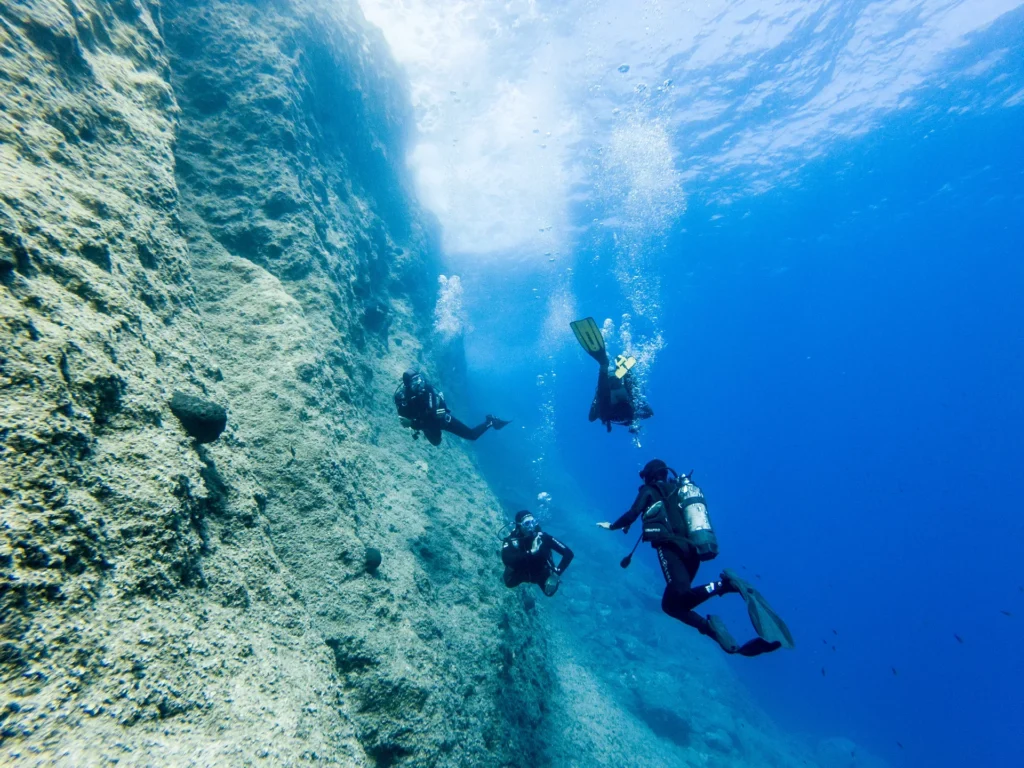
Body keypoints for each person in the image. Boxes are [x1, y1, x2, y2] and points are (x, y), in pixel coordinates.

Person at [597, 459, 794, 657]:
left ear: (649, 475)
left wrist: (612, 526)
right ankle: (711, 628)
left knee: (679, 596)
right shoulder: (678, 491)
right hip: (694, 553)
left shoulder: (649, 490)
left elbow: (632, 513)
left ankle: (725, 586)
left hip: (670, 548)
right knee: (671, 605)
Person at [569, 317, 653, 432]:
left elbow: (649, 413)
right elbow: (591, 417)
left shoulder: (631, 415)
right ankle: (607, 367)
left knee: (625, 395)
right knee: (610, 403)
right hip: (612, 401)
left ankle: (620, 371)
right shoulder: (626, 416)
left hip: (618, 400)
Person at [394, 368, 510, 446]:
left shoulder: (427, 389)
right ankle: (427, 430)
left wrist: (413, 424)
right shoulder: (401, 398)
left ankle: (490, 421)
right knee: (436, 442)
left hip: (441, 420)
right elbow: (404, 420)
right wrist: (412, 424)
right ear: (407, 385)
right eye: (415, 381)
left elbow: (433, 419)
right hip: (425, 421)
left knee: (472, 435)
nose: (420, 383)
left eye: (420, 379)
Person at [501, 510, 574, 596]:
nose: (531, 526)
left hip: (540, 572)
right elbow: (506, 559)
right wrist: (532, 552)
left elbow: (568, 553)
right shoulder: (513, 539)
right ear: (519, 525)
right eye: (527, 523)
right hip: (523, 570)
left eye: (533, 522)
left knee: (549, 592)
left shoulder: (543, 537)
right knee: (509, 582)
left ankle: (548, 573)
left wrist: (556, 575)